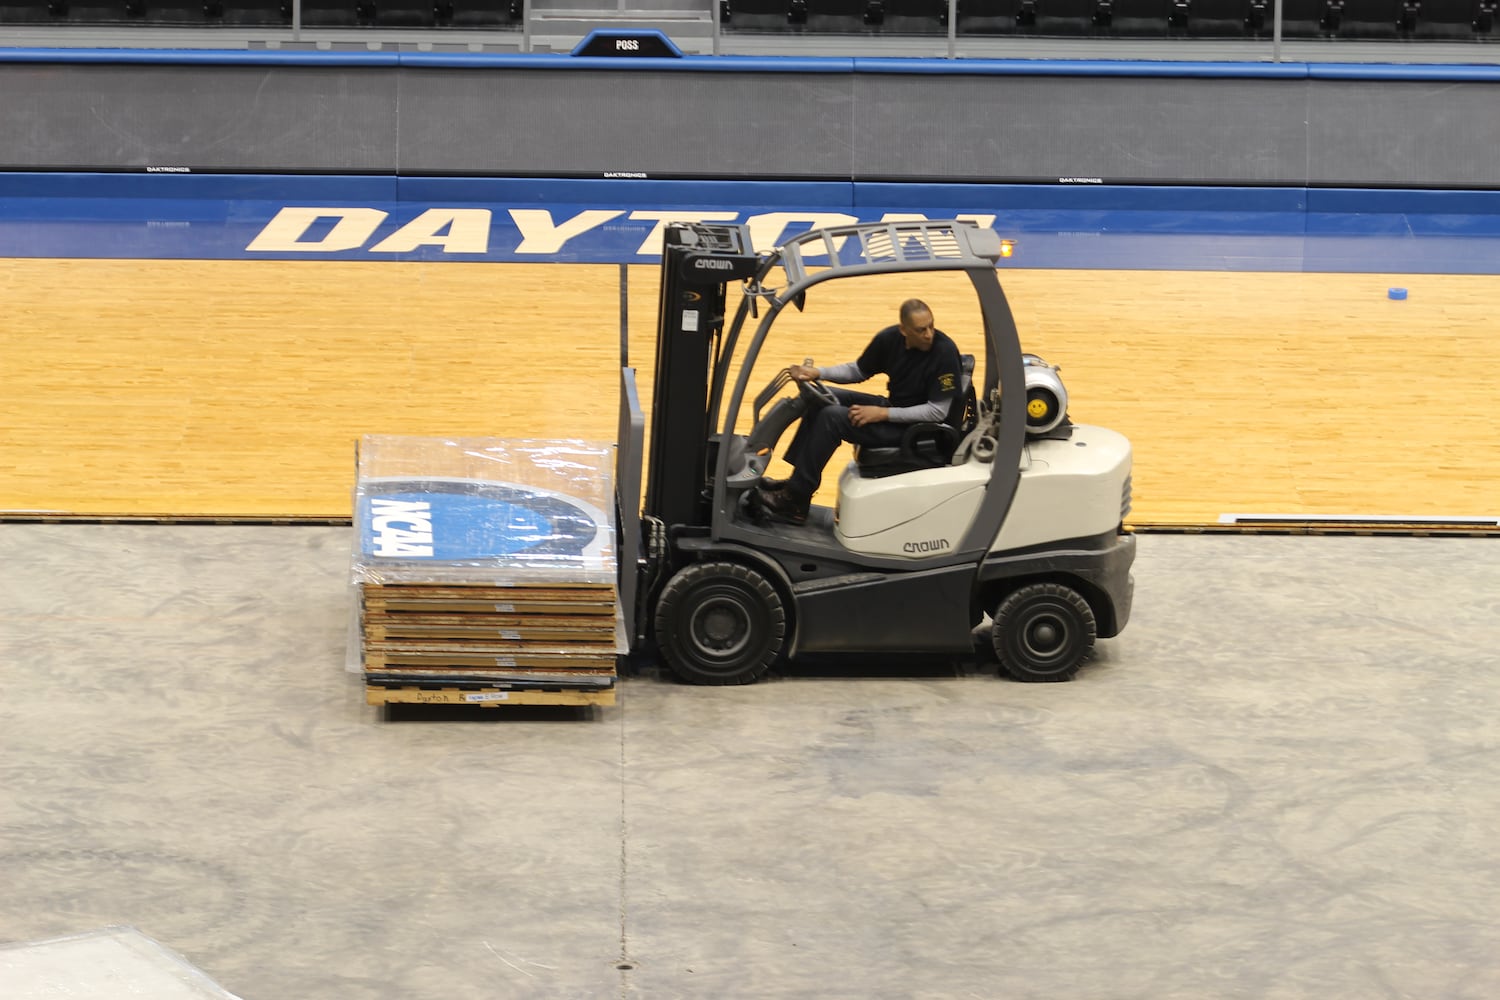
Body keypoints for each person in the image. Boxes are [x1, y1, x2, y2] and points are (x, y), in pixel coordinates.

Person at [758, 298, 962, 525]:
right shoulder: (889, 339)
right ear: (903, 330)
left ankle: (795, 501)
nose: (929, 334)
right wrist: (818, 372)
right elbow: (858, 370)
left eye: (931, 326)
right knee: (819, 398)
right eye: (921, 329)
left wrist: (882, 414)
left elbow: (937, 412)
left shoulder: (944, 352)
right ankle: (797, 484)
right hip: (895, 411)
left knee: (832, 419)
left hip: (916, 431)